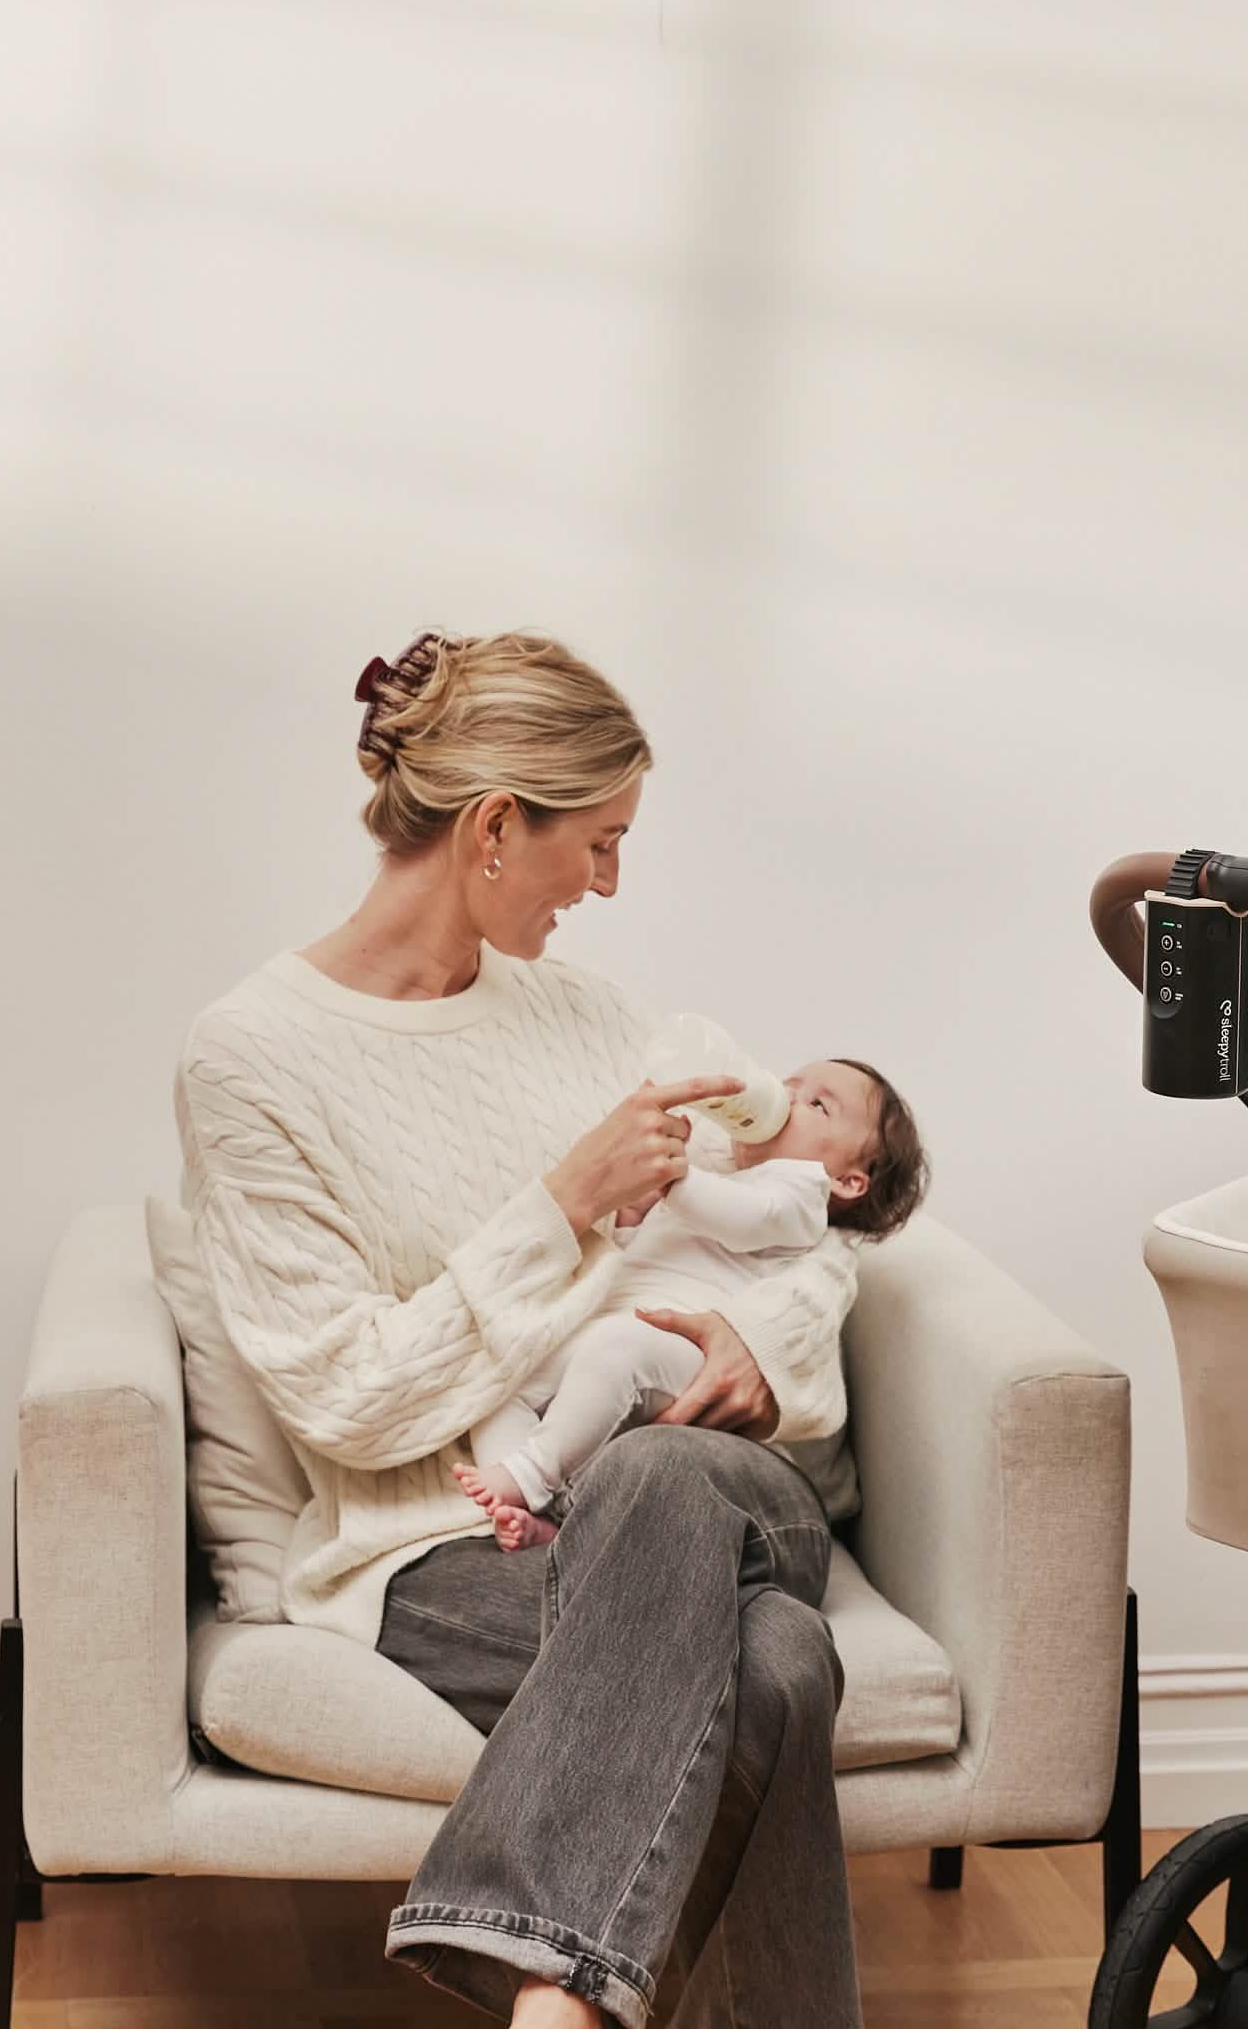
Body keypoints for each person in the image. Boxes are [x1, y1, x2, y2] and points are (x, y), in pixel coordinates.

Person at [172, 629, 866, 2026]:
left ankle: (543, 1988)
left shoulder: (594, 1020)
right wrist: (555, 1209)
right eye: (599, 843)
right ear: (495, 828)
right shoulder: (250, 1061)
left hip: (723, 1485)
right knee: (780, 1666)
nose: (610, 884)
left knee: (660, 1472)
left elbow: (805, 1240)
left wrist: (766, 1353)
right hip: (439, 1549)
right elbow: (350, 1404)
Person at [457, 1058, 927, 1550]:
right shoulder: (719, 1174)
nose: (787, 1099)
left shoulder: (800, 1195)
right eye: (791, 1084)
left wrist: (672, 1177)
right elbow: (645, 1249)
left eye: (817, 1105)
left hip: (683, 1351)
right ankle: (527, 1506)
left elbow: (744, 1217)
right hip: (621, 1331)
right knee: (501, 1381)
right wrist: (632, 1213)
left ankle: (531, 1474)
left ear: (847, 1181)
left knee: (618, 1350)